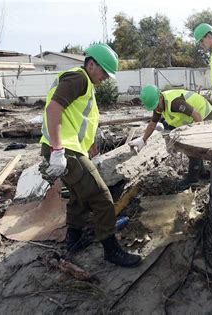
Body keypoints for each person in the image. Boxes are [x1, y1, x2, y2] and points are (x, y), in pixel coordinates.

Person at [40, 43, 141, 267]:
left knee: (79, 196)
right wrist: (58, 151)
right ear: (91, 63)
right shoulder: (79, 79)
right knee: (102, 197)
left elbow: (84, 123)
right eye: (104, 71)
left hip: (70, 149)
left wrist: (93, 151)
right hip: (65, 150)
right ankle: (111, 250)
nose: (106, 77)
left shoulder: (86, 86)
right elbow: (53, 109)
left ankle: (74, 241)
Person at [128, 85, 212, 189]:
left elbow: (197, 115)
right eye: (154, 107)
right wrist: (143, 140)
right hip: (194, 118)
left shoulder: (175, 103)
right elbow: (153, 123)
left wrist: (197, 133)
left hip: (205, 115)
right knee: (191, 146)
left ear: (160, 97)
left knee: (193, 147)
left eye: (156, 105)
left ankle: (192, 179)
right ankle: (201, 173)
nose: (157, 109)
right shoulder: (159, 105)